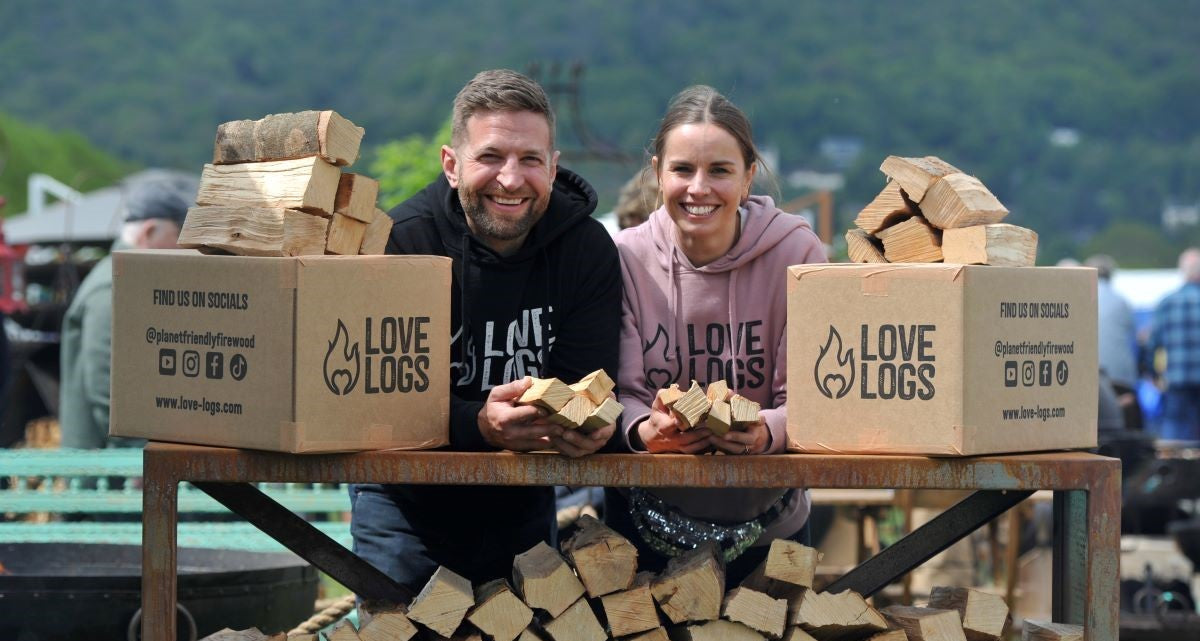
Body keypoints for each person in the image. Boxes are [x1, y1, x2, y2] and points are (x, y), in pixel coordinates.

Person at [350, 69, 621, 592]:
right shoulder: (402, 244)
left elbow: (587, 382)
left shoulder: (585, 250)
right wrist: (477, 423)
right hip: (404, 500)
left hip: (524, 489)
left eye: (530, 160)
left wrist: (591, 425)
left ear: (553, 167)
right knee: (404, 627)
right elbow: (373, 404)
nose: (511, 179)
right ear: (452, 165)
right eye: (491, 157)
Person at [605, 85, 827, 583]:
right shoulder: (625, 258)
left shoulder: (797, 254)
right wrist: (644, 431)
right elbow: (624, 394)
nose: (698, 188)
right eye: (682, 169)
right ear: (658, 174)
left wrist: (766, 431)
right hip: (640, 529)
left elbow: (814, 399)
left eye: (720, 171)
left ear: (748, 177)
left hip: (771, 529)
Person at [60, 177, 194, 449]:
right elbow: (107, 390)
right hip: (103, 466)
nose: (184, 248)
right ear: (149, 231)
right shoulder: (114, 286)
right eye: (179, 235)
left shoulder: (127, 281)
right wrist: (144, 450)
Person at [1146, 248, 1200, 441]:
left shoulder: (1167, 302)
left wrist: (1154, 374)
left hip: (1177, 379)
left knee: (1175, 435)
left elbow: (1153, 343)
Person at [1086, 254, 1141, 429]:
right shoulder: (1122, 301)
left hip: (1090, 375)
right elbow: (1133, 337)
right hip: (1121, 376)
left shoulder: (1081, 297)